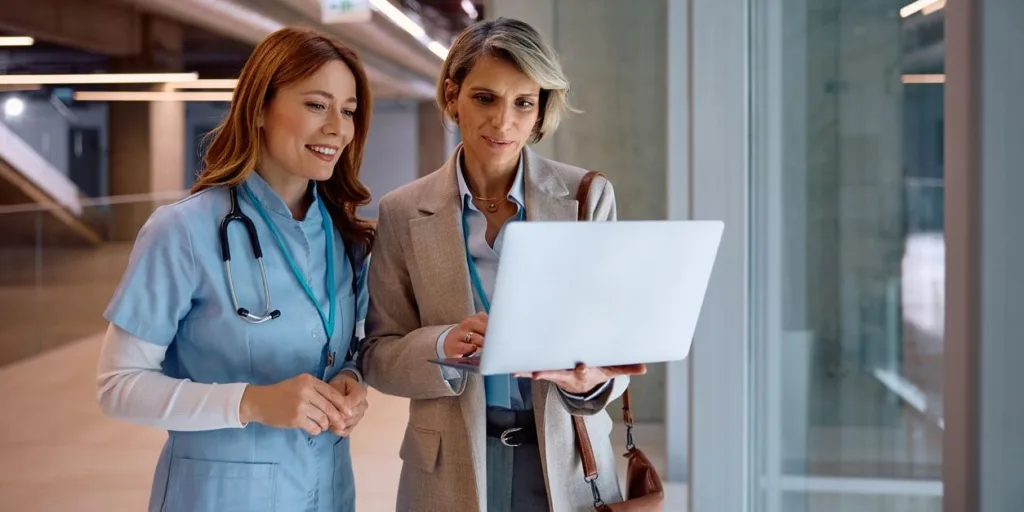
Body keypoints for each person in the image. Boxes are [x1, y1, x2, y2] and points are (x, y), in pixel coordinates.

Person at [359, 17, 646, 512]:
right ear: (453, 96)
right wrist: (441, 344)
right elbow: (377, 356)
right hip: (447, 466)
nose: (503, 122)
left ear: (541, 111)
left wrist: (593, 379)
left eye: (523, 103)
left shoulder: (585, 198)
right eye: (485, 98)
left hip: (565, 461)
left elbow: (616, 344)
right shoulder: (402, 212)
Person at [95, 26, 375, 512]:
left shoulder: (346, 238)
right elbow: (118, 387)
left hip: (326, 492)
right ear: (261, 108)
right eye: (316, 105)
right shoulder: (182, 231)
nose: (338, 128)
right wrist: (249, 402)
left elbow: (344, 348)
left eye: (348, 111)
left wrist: (351, 380)